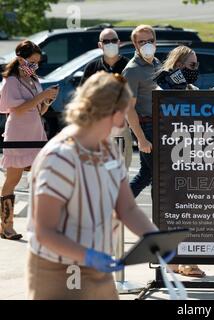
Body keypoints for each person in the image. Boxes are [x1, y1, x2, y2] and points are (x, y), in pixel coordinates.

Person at [26, 71, 163, 299]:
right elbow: (44, 231)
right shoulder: (59, 157)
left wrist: (154, 239)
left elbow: (127, 208)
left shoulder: (108, 150)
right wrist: (87, 255)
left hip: (98, 265)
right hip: (58, 269)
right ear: (116, 113)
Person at [155, 45, 206, 278]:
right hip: (170, 157)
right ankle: (176, 262)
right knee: (174, 211)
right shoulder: (160, 86)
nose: (195, 69)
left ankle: (187, 261)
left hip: (191, 156)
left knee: (191, 211)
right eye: (191, 65)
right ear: (177, 66)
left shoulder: (192, 88)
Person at [0, 40, 59, 240]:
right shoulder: (11, 81)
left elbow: (36, 110)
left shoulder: (34, 80)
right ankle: (6, 225)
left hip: (36, 134)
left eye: (37, 63)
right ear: (20, 59)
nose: (35, 66)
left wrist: (47, 101)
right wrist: (41, 95)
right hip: (18, 136)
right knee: (13, 180)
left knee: (43, 179)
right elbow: (15, 109)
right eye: (31, 62)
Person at [80, 28, 133, 169]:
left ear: (119, 43)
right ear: (100, 45)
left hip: (121, 126)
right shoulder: (92, 68)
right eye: (106, 41)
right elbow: (83, 97)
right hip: (97, 127)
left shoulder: (129, 66)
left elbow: (133, 98)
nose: (111, 44)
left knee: (120, 169)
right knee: (98, 169)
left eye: (114, 40)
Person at [122, 25, 161, 198]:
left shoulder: (157, 62)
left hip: (160, 125)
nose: (147, 45)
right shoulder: (132, 70)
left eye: (150, 41)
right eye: (142, 42)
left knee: (146, 174)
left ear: (155, 42)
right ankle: (160, 219)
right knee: (160, 174)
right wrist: (141, 138)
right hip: (146, 127)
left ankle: (116, 207)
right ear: (135, 45)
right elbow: (128, 108)